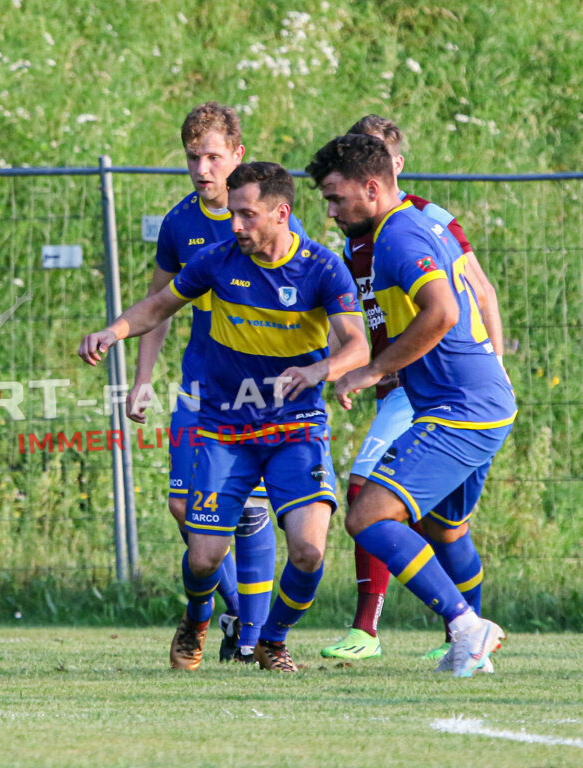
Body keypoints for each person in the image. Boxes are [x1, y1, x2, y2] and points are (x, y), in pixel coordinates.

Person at [81, 162, 368, 671]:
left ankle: (272, 641)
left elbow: (357, 347)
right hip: (225, 428)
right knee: (203, 557)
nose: (234, 224)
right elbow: (159, 306)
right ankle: (196, 617)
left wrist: (319, 369)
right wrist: (114, 331)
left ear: (282, 214)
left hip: (295, 428)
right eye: (232, 213)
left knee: (308, 550)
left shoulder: (322, 268)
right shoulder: (217, 261)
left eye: (246, 214)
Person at [306, 134, 516, 677]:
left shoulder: (397, 237)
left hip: (460, 408)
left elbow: (442, 311)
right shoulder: (415, 225)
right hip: (483, 399)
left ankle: (469, 628)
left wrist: (375, 368)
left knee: (368, 516)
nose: (330, 212)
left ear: (371, 188)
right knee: (447, 531)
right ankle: (470, 642)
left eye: (335, 198)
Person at [127, 103, 307, 663]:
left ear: (237, 156)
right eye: (192, 157)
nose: (203, 168)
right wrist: (142, 380)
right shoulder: (180, 224)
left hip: (260, 394)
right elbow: (158, 306)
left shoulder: (273, 222)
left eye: (212, 156)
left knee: (250, 511)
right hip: (199, 389)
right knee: (185, 510)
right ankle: (212, 612)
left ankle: (250, 637)